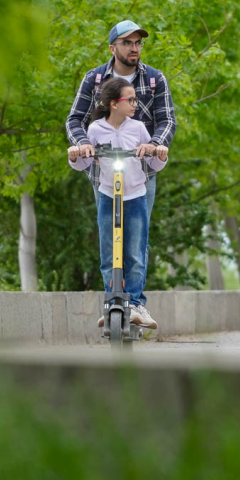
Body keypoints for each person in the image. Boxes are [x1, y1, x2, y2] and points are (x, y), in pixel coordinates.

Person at [67, 77, 168, 330]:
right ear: (114, 103)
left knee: (134, 253)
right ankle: (112, 300)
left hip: (134, 195)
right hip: (107, 194)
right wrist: (76, 154)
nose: (136, 103)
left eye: (136, 99)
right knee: (108, 254)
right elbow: (85, 163)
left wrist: (159, 153)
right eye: (130, 100)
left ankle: (134, 303)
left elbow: (153, 165)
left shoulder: (138, 128)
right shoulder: (95, 129)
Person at [65, 20, 176, 219]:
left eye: (138, 43)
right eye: (126, 43)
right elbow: (75, 119)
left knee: (138, 242)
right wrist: (83, 144)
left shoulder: (154, 79)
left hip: (142, 172)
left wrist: (155, 144)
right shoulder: (94, 79)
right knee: (108, 238)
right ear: (112, 49)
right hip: (104, 172)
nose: (134, 48)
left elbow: (167, 120)